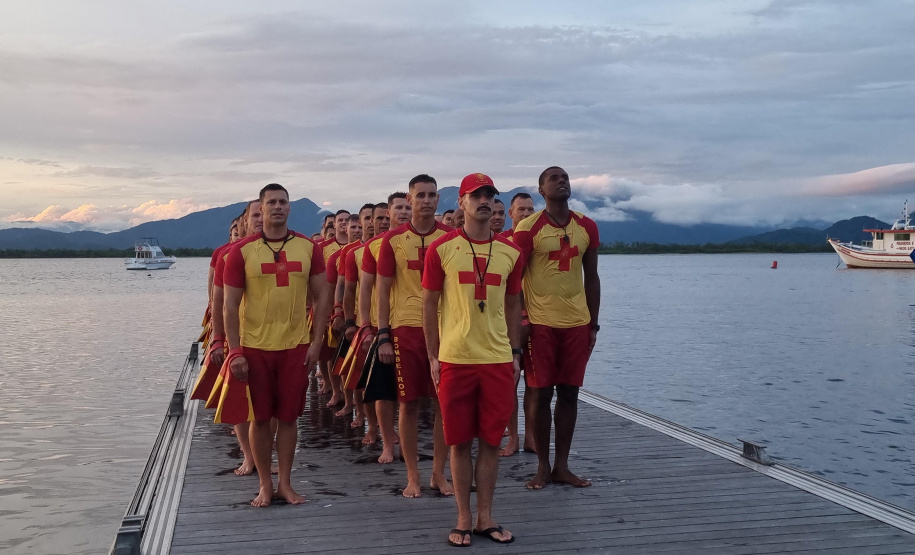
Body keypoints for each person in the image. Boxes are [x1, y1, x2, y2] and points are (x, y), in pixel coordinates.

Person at [422, 173, 521, 546]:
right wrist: (433, 355)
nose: (484, 201)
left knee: (492, 440)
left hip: (496, 358)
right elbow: (429, 304)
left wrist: (514, 352)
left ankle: (485, 517)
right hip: (456, 357)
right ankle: (463, 517)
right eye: (475, 195)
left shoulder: (512, 252)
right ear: (461, 202)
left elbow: (513, 305)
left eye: (489, 195)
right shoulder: (443, 249)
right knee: (460, 440)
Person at [223, 183, 331, 506]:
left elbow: (323, 296)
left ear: (289, 207)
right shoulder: (241, 252)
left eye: (283, 202)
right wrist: (234, 351)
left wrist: (316, 341)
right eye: (271, 202)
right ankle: (265, 485)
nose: (278, 207)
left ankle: (285, 483)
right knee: (259, 419)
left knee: (288, 418)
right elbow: (229, 306)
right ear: (261, 208)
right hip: (255, 347)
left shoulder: (307, 248)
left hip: (295, 346)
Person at [513, 166, 601, 489]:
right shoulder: (528, 228)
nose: (562, 182)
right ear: (541, 189)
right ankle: (542, 465)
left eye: (565, 177)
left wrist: (594, 323)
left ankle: (562, 465)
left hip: (576, 322)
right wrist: (522, 319)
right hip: (540, 324)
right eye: (554, 178)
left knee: (570, 393)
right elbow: (515, 279)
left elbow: (591, 276)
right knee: (539, 393)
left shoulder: (586, 226)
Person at [376, 175, 453, 498]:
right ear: (409, 200)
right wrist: (382, 334)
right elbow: (381, 290)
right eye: (420, 195)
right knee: (408, 404)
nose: (426, 200)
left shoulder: (451, 238)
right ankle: (412, 476)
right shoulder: (392, 241)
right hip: (405, 328)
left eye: (432, 195)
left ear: (438, 200)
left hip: (445, 328)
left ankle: (438, 473)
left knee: (442, 405)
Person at [210, 201, 264, 475]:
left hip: (270, 337)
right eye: (255, 215)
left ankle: (264, 456)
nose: (260, 220)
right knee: (243, 402)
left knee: (269, 408)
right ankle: (248, 455)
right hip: (239, 336)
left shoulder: (279, 250)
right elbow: (218, 301)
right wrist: (217, 340)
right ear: (244, 222)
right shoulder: (228, 255)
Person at [359, 192, 411, 464]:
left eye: (407, 207)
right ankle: (388, 443)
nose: (403, 212)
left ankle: (406, 440)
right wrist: (368, 327)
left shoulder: (426, 240)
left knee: (410, 394)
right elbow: (366, 289)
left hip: (416, 324)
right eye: (398, 208)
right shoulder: (375, 246)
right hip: (386, 326)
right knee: (383, 388)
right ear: (388, 213)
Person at [500, 190, 538, 456]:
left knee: (536, 384)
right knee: (510, 382)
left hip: (539, 320)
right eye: (520, 210)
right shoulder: (501, 243)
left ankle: (532, 437)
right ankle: (513, 436)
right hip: (508, 322)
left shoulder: (541, 240)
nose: (525, 214)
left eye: (530, 210)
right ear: (510, 213)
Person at [320, 209, 351, 404]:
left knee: (348, 354)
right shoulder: (325, 248)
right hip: (327, 302)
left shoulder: (357, 248)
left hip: (350, 305)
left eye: (347, 220)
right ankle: (331, 387)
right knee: (328, 352)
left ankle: (350, 394)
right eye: (340, 220)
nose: (343, 223)